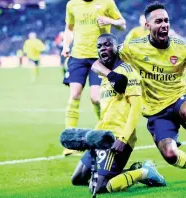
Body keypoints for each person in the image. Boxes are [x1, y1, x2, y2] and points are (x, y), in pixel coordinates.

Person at [92, 1, 186, 189]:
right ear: (147, 26)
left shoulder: (182, 48)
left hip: (179, 99)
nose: (164, 24)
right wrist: (110, 74)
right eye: (158, 21)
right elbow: (97, 62)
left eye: (166, 21)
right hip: (156, 112)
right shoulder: (133, 48)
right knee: (171, 155)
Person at [71, 34, 166, 194]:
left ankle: (145, 171)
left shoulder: (128, 72)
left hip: (117, 137)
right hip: (101, 135)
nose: (102, 49)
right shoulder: (105, 75)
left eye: (107, 45)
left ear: (117, 47)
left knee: (99, 187)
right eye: (99, 46)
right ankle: (120, 172)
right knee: (78, 178)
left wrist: (123, 138)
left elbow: (136, 107)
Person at [61, 0, 126, 156]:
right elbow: (69, 28)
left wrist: (109, 20)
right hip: (78, 57)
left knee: (96, 99)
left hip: (100, 58)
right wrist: (65, 46)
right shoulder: (72, 4)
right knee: (74, 95)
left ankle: (104, 133)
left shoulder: (107, 2)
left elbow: (122, 24)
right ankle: (69, 144)